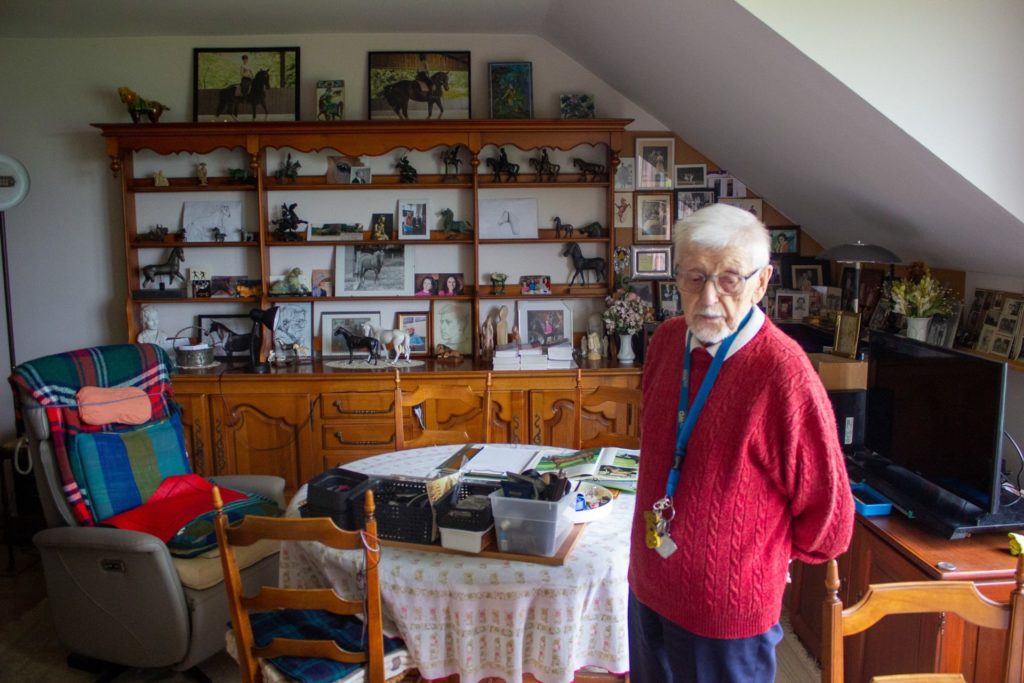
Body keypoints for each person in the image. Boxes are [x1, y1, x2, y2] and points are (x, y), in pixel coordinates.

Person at [628, 203, 853, 683]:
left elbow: (831, 523)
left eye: (729, 279)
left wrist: (756, 560)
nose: (708, 297)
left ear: (761, 282)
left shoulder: (784, 373)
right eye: (694, 277)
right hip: (648, 588)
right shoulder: (667, 341)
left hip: (726, 614)